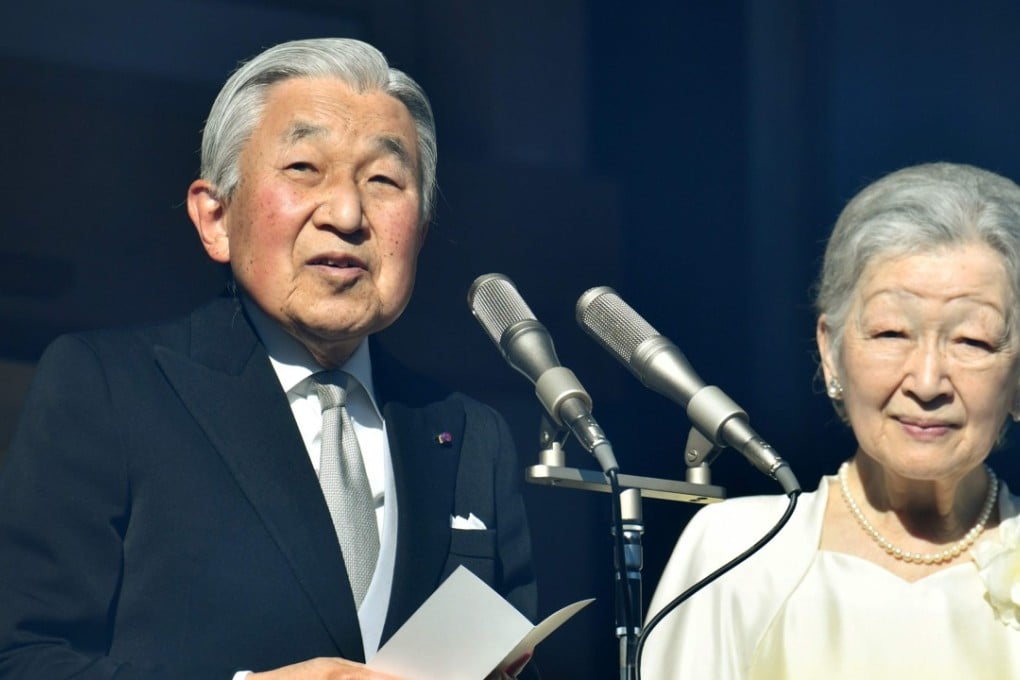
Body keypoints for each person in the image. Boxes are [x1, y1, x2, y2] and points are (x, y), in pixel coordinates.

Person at [0, 38, 536, 679]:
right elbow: (21, 656)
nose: (346, 213)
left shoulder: (472, 435)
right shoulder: (110, 388)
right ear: (216, 217)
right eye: (305, 168)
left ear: (419, 231)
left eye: (385, 179)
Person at [640, 162, 1020, 679]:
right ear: (831, 351)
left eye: (972, 341)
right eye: (891, 333)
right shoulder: (735, 553)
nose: (928, 382)